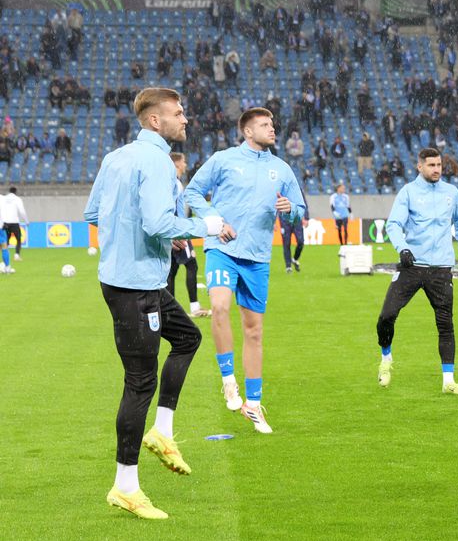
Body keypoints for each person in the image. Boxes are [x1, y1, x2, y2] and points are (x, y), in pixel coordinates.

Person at [83, 86, 234, 519]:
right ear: (155, 120)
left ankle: (162, 432)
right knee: (139, 383)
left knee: (187, 337)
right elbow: (156, 223)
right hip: (135, 288)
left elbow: (93, 214)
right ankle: (125, 487)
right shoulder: (155, 161)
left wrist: (138, 236)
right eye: (178, 113)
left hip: (135, 281)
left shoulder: (116, 158)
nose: (185, 119)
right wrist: (207, 225)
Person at [183, 107, 306, 434]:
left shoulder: (281, 169)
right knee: (220, 307)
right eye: (265, 125)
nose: (272, 129)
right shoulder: (223, 160)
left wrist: (290, 209)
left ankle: (253, 404)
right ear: (248, 131)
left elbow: (299, 210)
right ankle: (228, 381)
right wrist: (215, 220)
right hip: (222, 249)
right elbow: (192, 191)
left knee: (254, 331)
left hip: (257, 256)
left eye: (272, 124)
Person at [375, 148, 458, 394]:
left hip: (441, 268)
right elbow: (393, 224)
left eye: (439, 165)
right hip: (412, 266)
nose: (437, 169)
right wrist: (403, 248)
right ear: (420, 166)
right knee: (386, 316)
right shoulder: (408, 192)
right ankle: (386, 358)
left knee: (445, 323)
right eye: (431, 165)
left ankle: (448, 381)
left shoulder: (452, 192)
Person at [166, 152, 210, 317]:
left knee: (172, 270)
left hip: (170, 231)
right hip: (178, 232)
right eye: (183, 161)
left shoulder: (169, 182)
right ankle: (194, 307)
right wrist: (181, 232)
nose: (185, 164)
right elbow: (176, 210)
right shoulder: (176, 184)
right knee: (191, 265)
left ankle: (170, 309)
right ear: (177, 164)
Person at [279, 188, 308, 273]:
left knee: (300, 241)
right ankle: (288, 266)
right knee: (286, 243)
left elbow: (304, 204)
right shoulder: (280, 188)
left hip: (296, 219)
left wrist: (306, 217)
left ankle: (295, 259)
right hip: (284, 221)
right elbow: (276, 204)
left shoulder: (298, 189)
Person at [0, 184, 28, 272]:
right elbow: (21, 211)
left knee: (5, 243)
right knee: (10, 242)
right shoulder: (8, 199)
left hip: (5, 223)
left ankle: (6, 266)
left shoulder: (5, 198)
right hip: (9, 224)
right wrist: (26, 221)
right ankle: (10, 263)